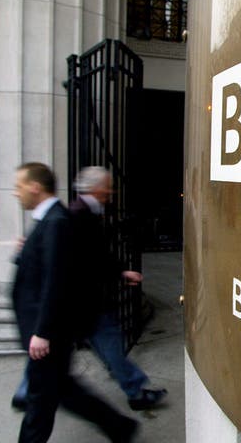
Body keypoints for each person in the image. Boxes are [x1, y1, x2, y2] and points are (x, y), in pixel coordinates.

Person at [12, 162, 138, 442]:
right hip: (44, 333)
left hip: (47, 334)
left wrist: (42, 332)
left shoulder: (57, 221)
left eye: (18, 186)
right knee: (60, 392)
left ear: (35, 187)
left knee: (42, 405)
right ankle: (119, 426)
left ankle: (119, 425)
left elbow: (56, 281)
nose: (14, 193)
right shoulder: (50, 220)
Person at [69, 166, 167, 410]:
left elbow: (97, 256)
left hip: (86, 300)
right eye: (108, 186)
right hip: (91, 300)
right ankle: (135, 391)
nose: (111, 191)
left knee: (90, 349)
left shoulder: (84, 212)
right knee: (109, 345)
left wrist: (120, 272)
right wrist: (118, 273)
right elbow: (92, 259)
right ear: (96, 188)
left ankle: (27, 389)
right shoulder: (79, 215)